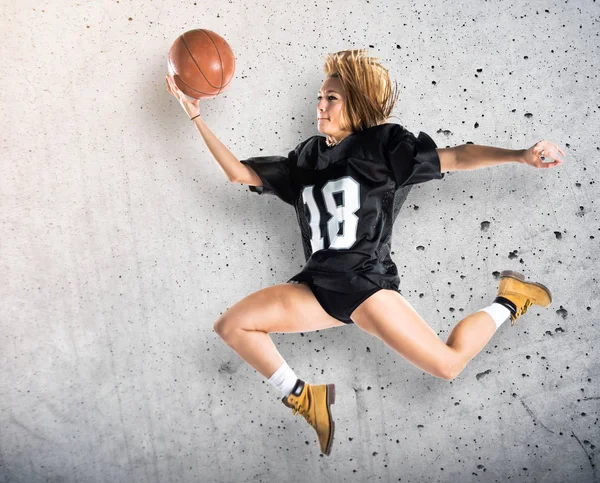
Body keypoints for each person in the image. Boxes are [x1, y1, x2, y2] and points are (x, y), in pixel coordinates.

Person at [165, 49, 564, 456]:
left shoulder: (384, 145)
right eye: (319, 97)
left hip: (365, 286)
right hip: (319, 288)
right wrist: (194, 114)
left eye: (332, 98)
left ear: (355, 102)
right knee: (233, 326)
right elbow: (238, 173)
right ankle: (305, 397)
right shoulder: (307, 157)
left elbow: (458, 156)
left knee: (447, 364)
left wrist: (520, 155)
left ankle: (509, 300)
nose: (320, 105)